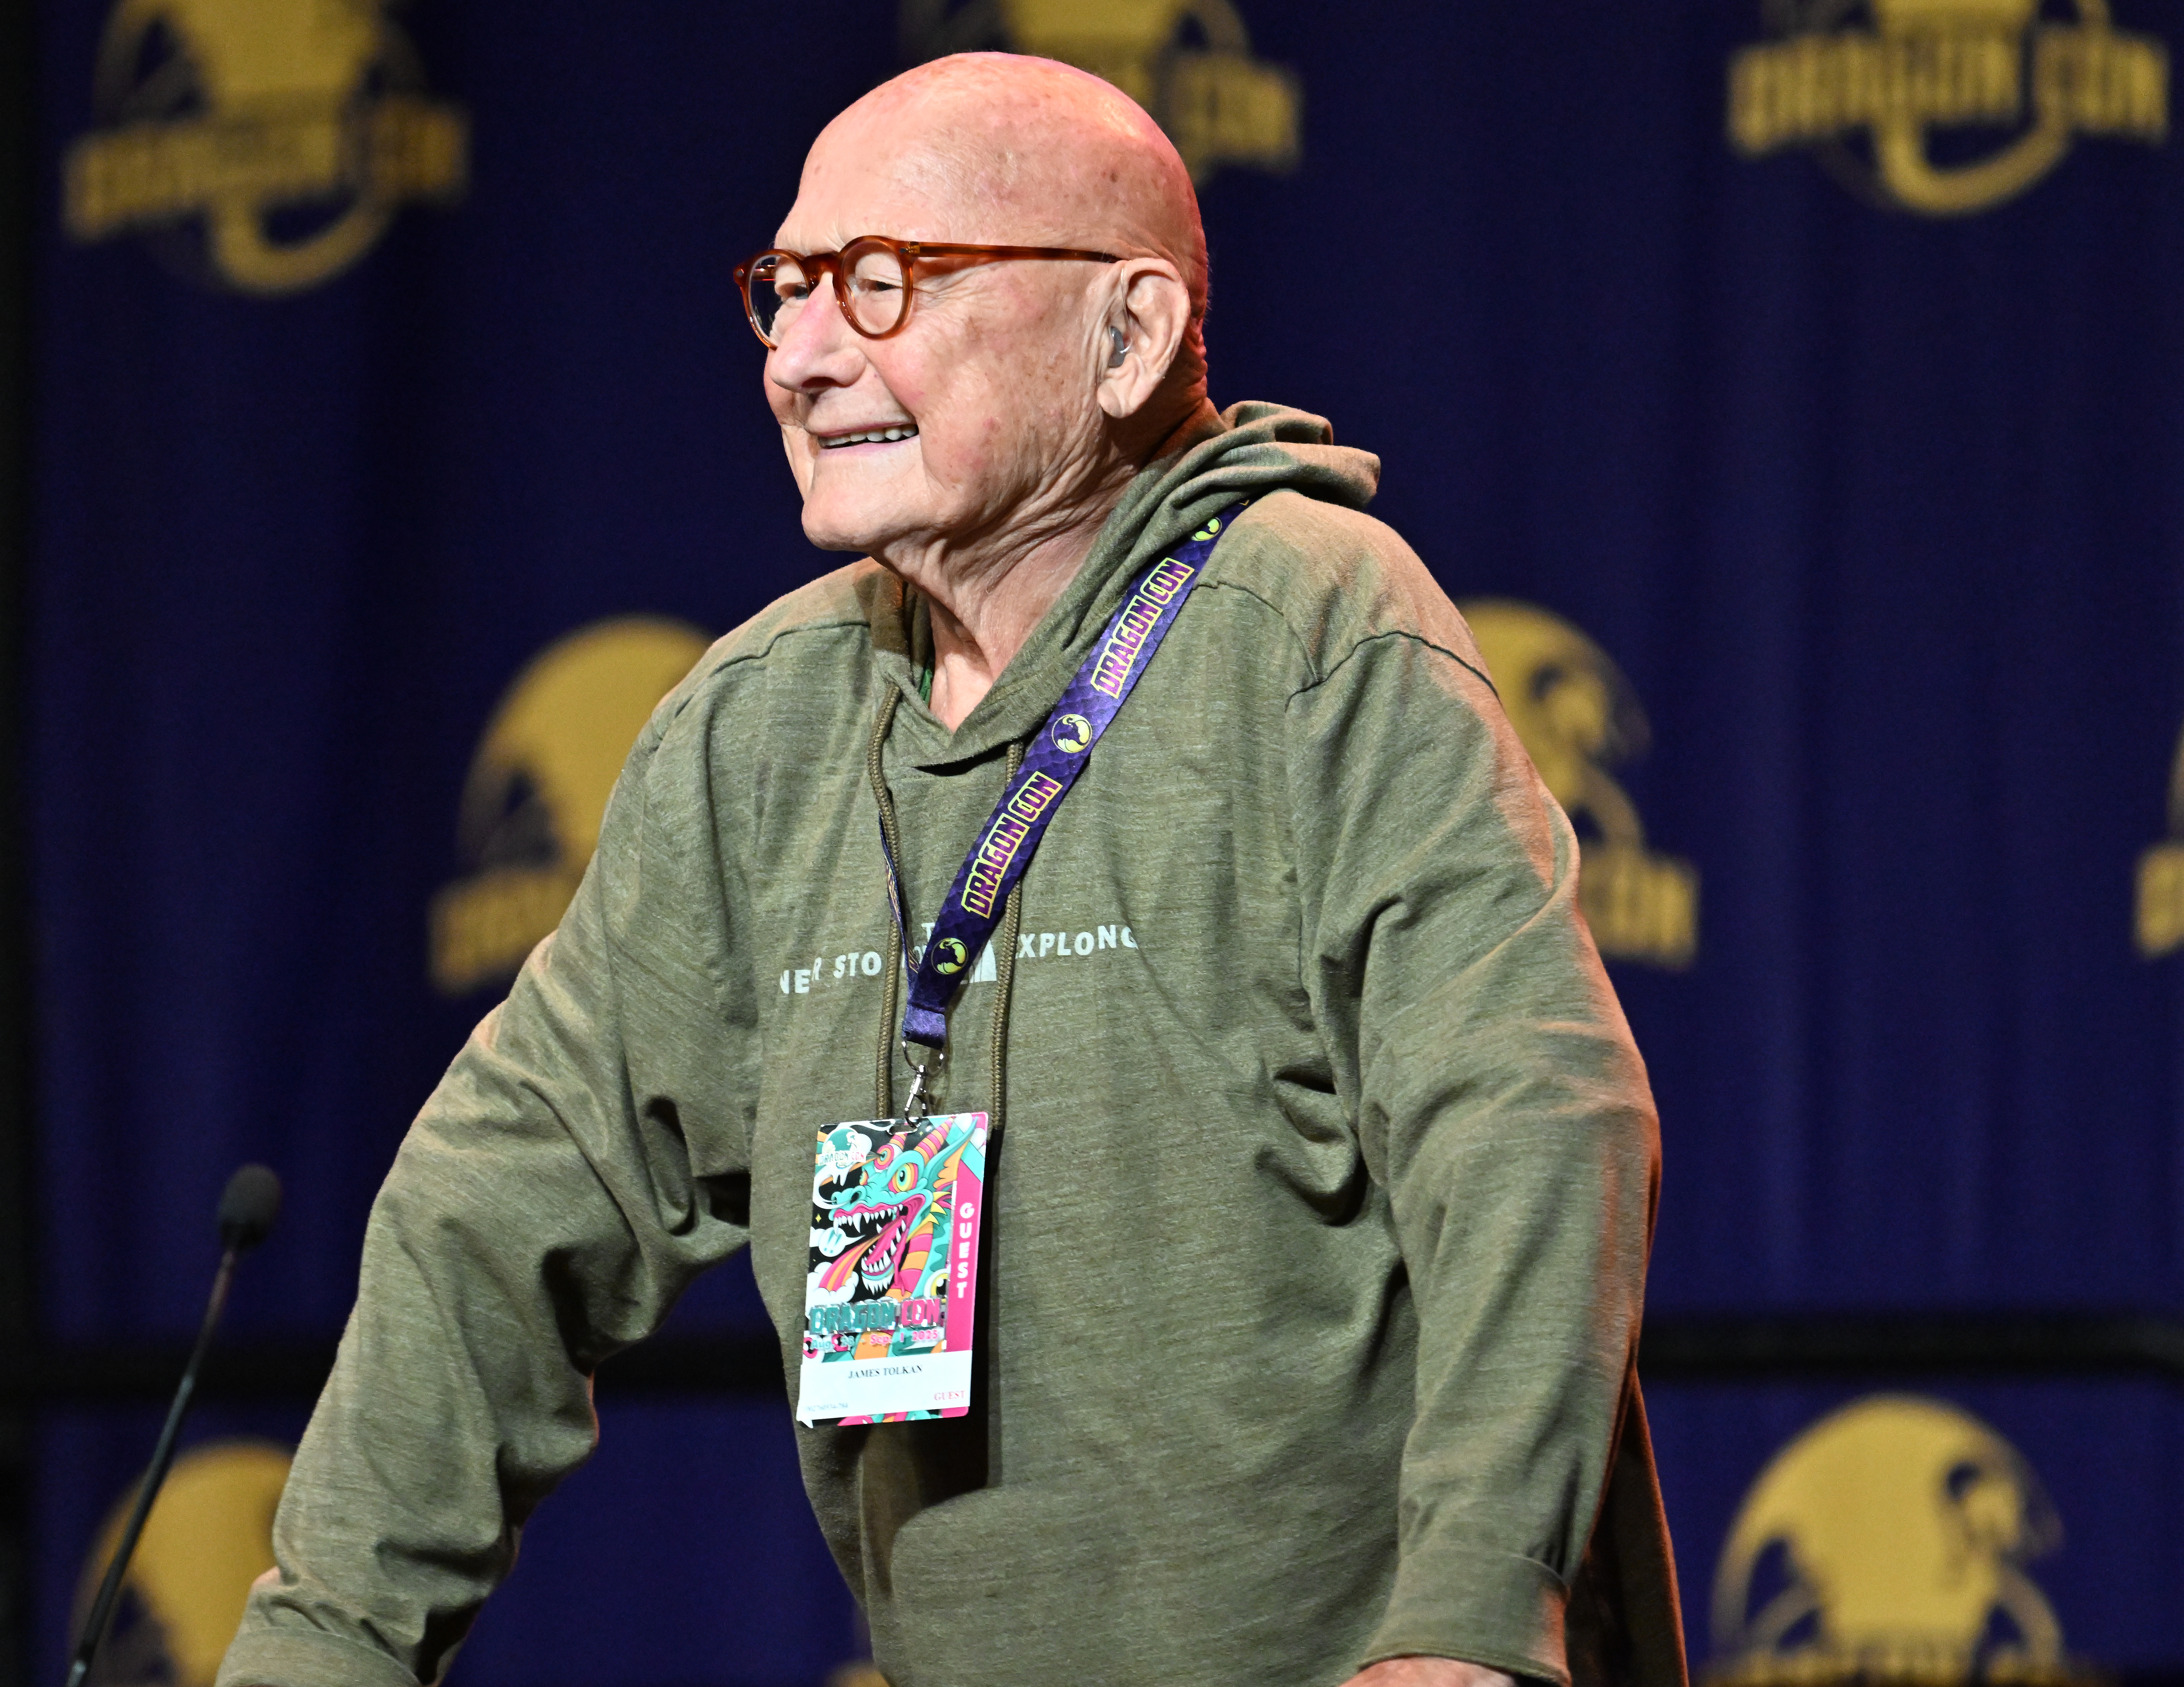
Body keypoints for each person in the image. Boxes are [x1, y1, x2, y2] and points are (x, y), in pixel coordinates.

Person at [221, 51, 1686, 1687]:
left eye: (882, 283)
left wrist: (1474, 1618)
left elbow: (1529, 1116)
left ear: (1124, 335)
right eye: (781, 289)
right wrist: (319, 1651)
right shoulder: (762, 725)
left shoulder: (1310, 628)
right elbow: (493, 1209)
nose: (798, 353)